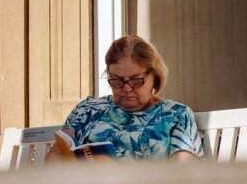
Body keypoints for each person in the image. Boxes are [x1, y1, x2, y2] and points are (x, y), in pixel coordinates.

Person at [51, 34, 202, 162]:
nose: (126, 88)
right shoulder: (87, 109)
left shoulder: (175, 114)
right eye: (117, 80)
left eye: (136, 80)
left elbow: (185, 171)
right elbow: (56, 155)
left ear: (154, 76)